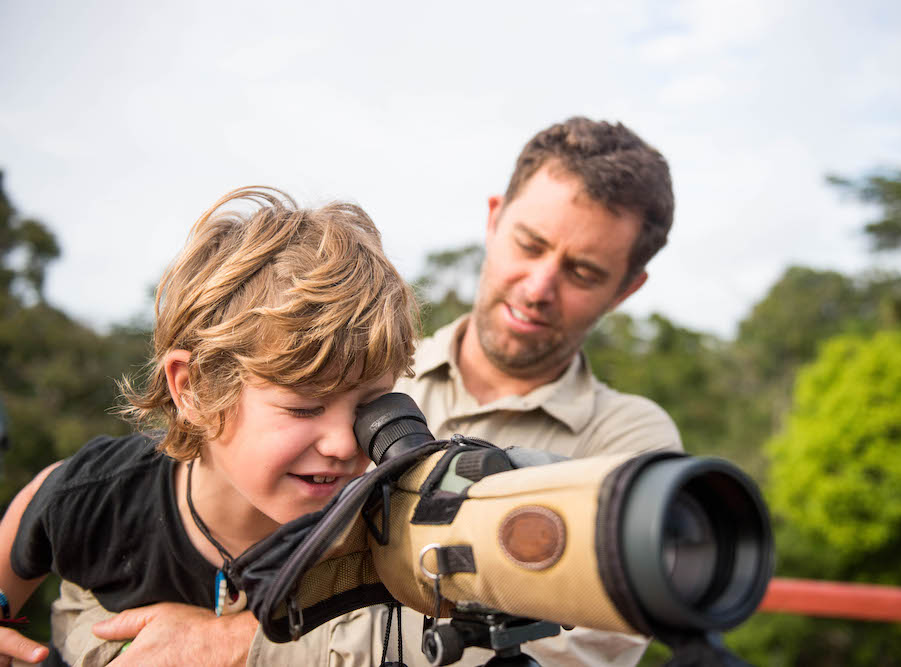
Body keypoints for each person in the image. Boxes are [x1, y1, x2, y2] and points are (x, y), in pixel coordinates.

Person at [32, 116, 682, 666]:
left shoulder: (627, 449)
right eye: (529, 243)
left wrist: (243, 640)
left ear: (627, 289)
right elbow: (133, 499)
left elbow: (563, 651)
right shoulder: (353, 357)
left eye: (582, 270)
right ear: (494, 219)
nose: (540, 285)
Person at [0, 186, 419, 666]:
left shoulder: (375, 527)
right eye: (305, 407)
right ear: (193, 389)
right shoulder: (102, 497)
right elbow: (39, 503)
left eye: (369, 405)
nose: (345, 444)